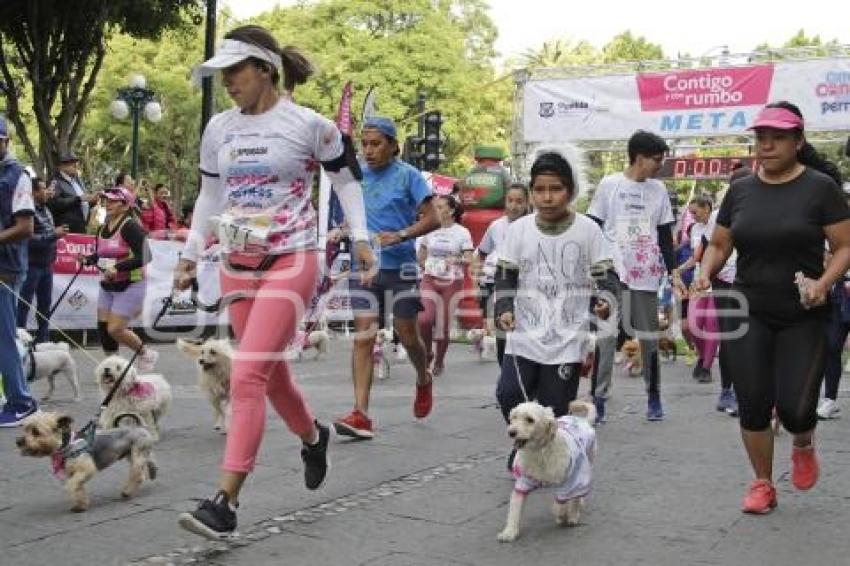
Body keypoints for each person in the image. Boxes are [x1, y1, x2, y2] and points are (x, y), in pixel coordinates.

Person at [172, 24, 376, 540]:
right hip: (236, 262)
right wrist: (192, 253)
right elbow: (208, 198)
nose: (229, 84)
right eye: (222, 76)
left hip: (293, 260)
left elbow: (347, 184)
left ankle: (225, 502)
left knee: (246, 377)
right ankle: (313, 437)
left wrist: (361, 237)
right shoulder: (219, 129)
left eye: (236, 72)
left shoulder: (310, 125)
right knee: (270, 374)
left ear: (265, 68)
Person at [695, 101, 850, 514]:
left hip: (804, 312)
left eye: (778, 137)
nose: (766, 145)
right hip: (748, 309)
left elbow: (844, 247)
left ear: (798, 141)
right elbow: (721, 243)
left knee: (798, 409)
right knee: (753, 402)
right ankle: (762, 483)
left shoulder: (821, 188)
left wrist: (824, 282)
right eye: (761, 137)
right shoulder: (740, 190)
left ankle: (802, 440)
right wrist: (706, 271)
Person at [332, 116, 438, 440]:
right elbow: (352, 217)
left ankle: (423, 376)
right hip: (365, 267)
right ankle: (361, 414)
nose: (369, 150)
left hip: (401, 267)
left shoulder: (409, 176)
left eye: (376, 143)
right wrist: (342, 232)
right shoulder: (355, 176)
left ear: (394, 146)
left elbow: (434, 217)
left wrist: (402, 234)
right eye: (364, 143)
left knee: (408, 335)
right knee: (363, 336)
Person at [494, 150, 610, 438]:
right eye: (540, 189)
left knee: (554, 407)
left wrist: (605, 300)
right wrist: (504, 307)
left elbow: (606, 276)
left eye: (555, 189)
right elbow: (506, 275)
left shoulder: (589, 230)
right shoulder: (518, 230)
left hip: (567, 337)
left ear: (570, 192)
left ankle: (542, 458)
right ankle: (524, 447)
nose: (547, 197)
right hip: (524, 333)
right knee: (509, 394)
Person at [586, 130, 677, 421]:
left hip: (645, 273)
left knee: (649, 338)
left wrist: (673, 271)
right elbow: (592, 224)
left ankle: (654, 396)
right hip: (612, 271)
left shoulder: (658, 190)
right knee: (607, 337)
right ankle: (598, 398)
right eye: (656, 159)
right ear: (639, 157)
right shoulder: (610, 184)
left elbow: (665, 236)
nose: (659, 165)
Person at [87, 186, 158, 370]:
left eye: (113, 201)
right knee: (103, 328)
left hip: (131, 284)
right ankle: (113, 366)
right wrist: (88, 259)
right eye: (106, 200)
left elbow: (146, 256)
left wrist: (117, 268)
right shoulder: (103, 227)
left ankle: (145, 353)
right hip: (108, 284)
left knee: (115, 329)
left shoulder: (130, 226)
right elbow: (100, 253)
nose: (108, 203)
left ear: (126, 205)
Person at [0, 115, 38, 427]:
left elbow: (26, 227)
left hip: (7, 268)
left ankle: (21, 401)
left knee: (5, 337)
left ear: (5, 141)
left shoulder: (18, 175)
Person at [417, 195, 473, 376]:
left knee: (443, 326)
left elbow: (469, 259)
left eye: (440, 207)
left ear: (451, 210)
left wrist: (455, 259)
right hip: (430, 279)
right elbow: (422, 251)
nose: (436, 210)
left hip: (451, 282)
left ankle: (439, 360)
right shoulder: (429, 229)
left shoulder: (462, 232)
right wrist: (423, 263)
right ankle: (427, 352)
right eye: (435, 207)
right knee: (424, 319)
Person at [474, 182, 529, 365]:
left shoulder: (533, 226)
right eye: (510, 200)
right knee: (502, 335)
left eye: (519, 201)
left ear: (527, 203)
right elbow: (481, 252)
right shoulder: (496, 226)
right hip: (501, 287)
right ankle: (506, 375)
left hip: (528, 289)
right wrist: (476, 279)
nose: (514, 206)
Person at [674, 195, 719, 383]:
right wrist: (678, 269)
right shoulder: (695, 229)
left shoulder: (719, 222)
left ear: (707, 208)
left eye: (695, 212)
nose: (692, 216)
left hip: (720, 281)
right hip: (698, 281)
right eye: (690, 213)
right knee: (693, 325)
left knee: (711, 326)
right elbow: (696, 257)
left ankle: (706, 366)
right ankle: (702, 355)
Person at [17, 178, 67, 344]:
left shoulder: (46, 209)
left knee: (45, 306)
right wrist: (54, 234)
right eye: (43, 189)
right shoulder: (27, 212)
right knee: (23, 305)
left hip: (47, 265)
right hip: (31, 266)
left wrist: (54, 233)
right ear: (33, 192)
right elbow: (28, 239)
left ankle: (43, 340)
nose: (47, 192)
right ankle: (19, 340)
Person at [48, 151, 97, 233]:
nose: (75, 166)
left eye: (76, 163)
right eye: (71, 164)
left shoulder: (78, 181)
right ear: (61, 167)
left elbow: (82, 202)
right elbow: (55, 203)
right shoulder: (55, 182)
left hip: (82, 227)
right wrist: (78, 199)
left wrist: (92, 201)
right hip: (66, 230)